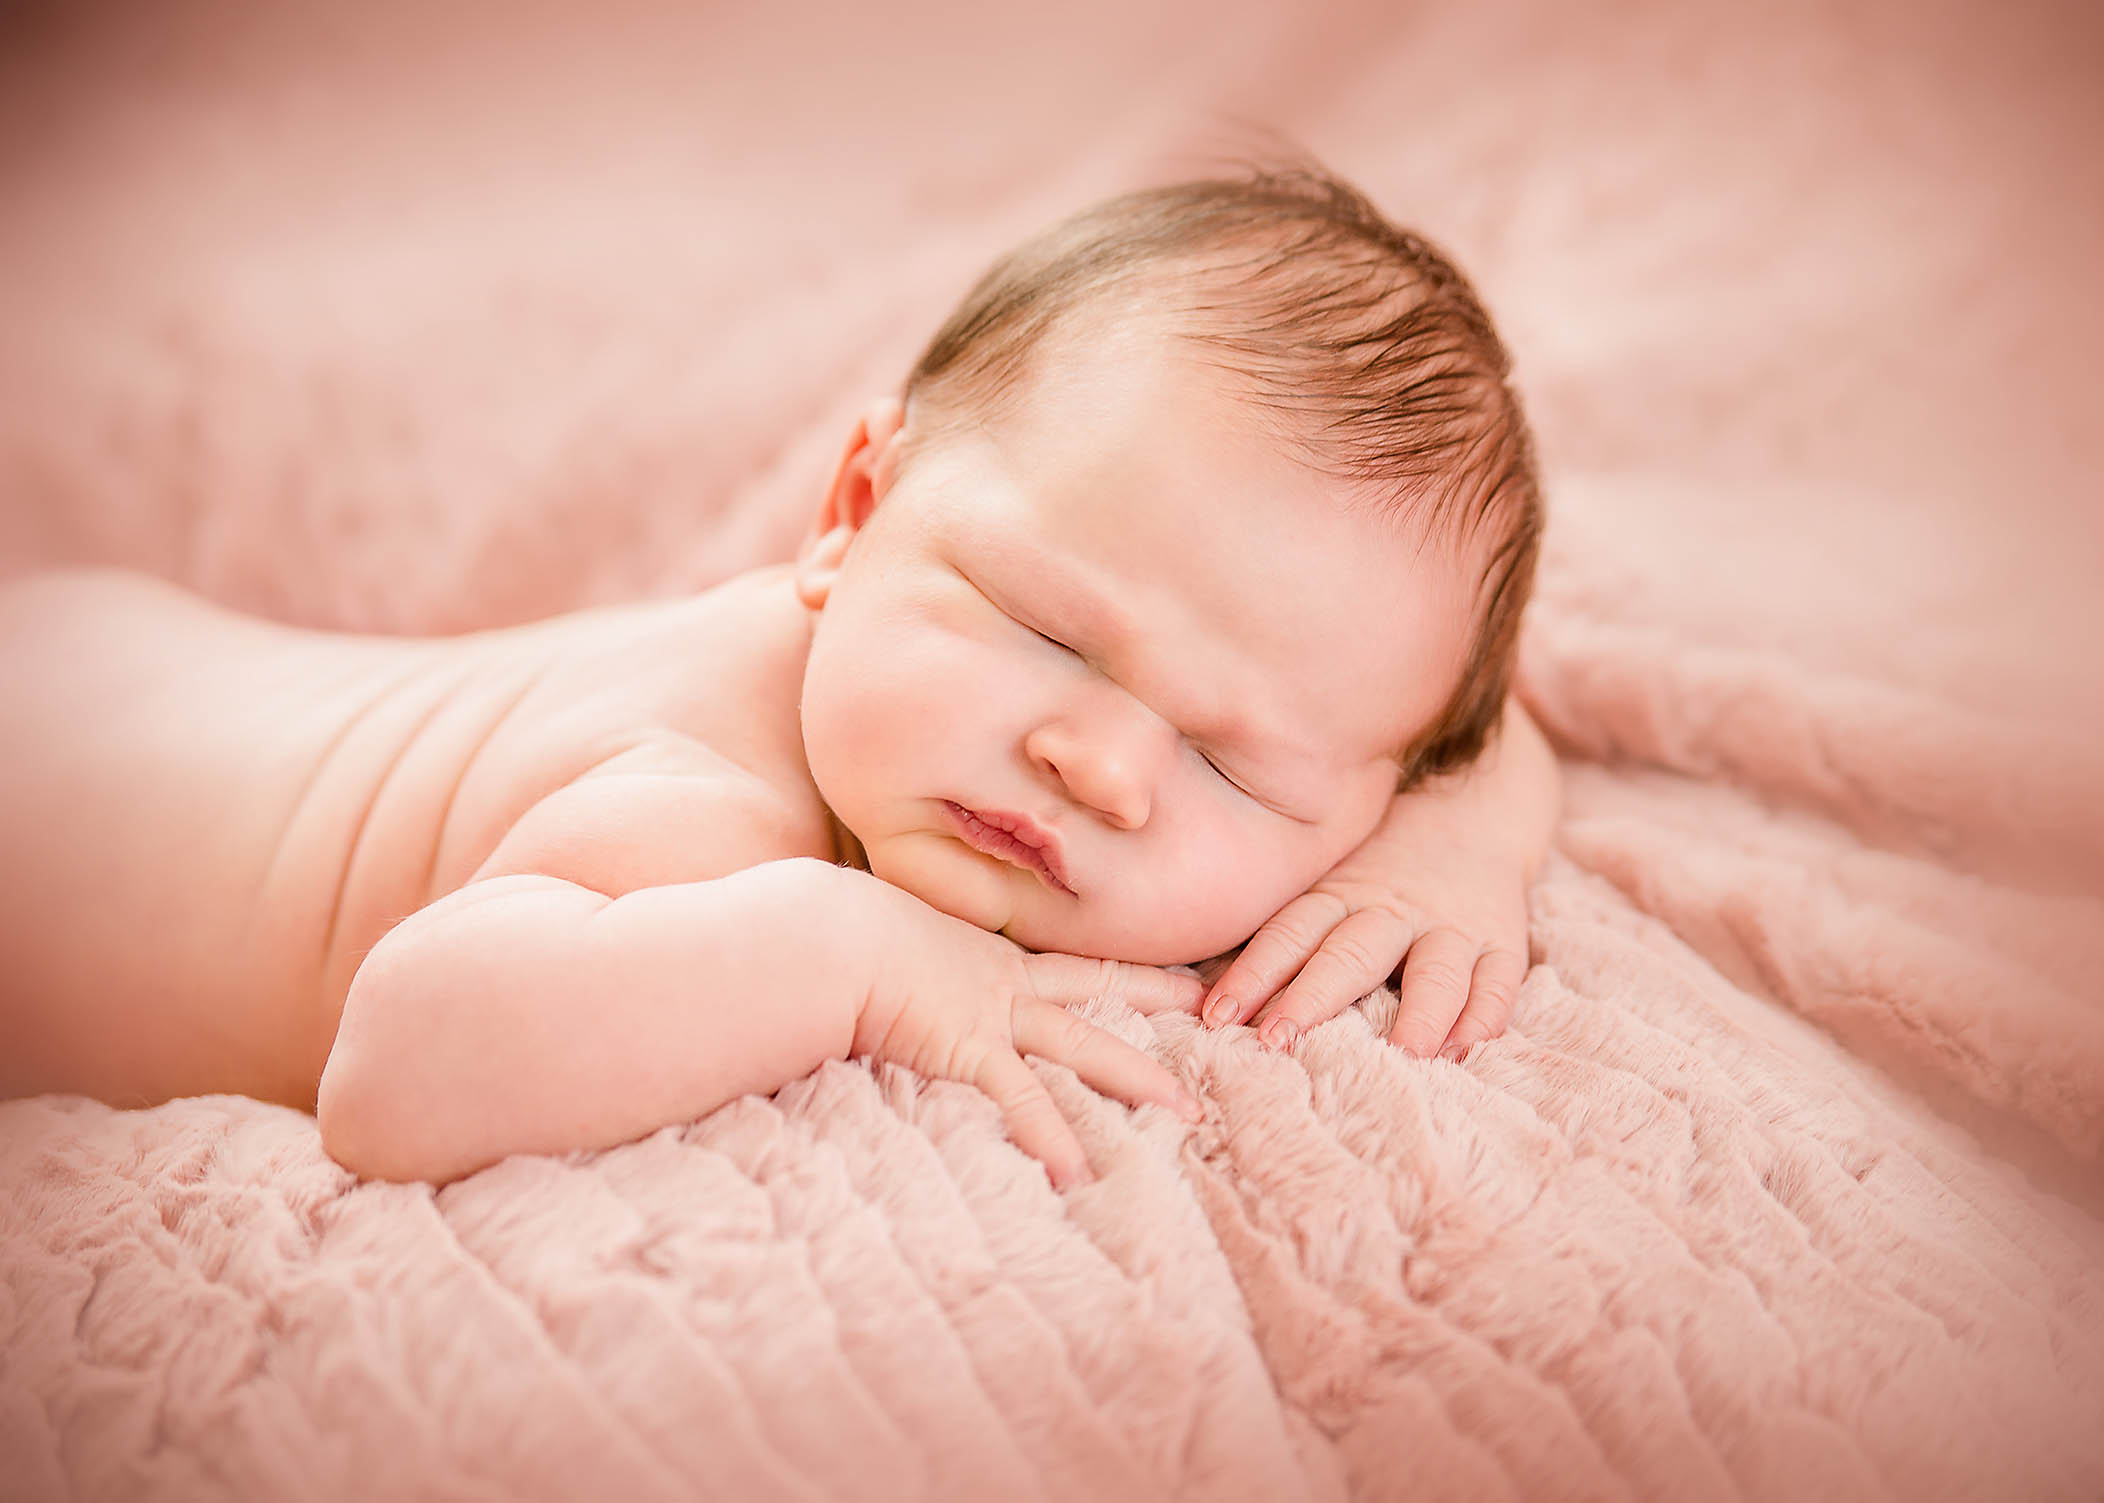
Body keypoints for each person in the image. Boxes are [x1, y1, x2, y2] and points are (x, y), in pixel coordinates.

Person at [0, 166, 1561, 1190]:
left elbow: (1452, 736)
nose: (1105, 765)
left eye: (1236, 767)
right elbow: (401, 1071)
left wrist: (1458, 855)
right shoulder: (708, 799)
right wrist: (854, 955)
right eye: (1050, 631)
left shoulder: (1285, 721)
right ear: (853, 518)